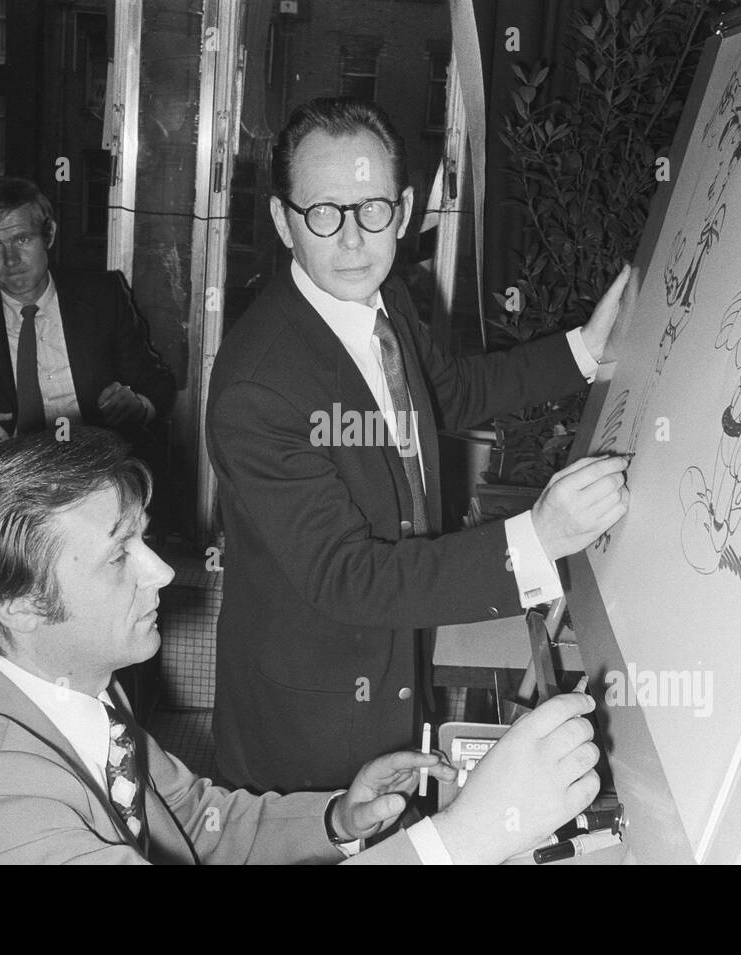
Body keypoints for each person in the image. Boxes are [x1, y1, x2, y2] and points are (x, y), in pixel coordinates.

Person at [0, 429, 603, 865]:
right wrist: (462, 837)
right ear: (19, 603)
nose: (159, 570)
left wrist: (339, 818)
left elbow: (196, 818)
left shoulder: (69, 687)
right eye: (121, 554)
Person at [206, 97, 632, 793]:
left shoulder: (386, 296)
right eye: (323, 213)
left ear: (403, 211)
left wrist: (584, 349)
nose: (351, 240)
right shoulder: (258, 387)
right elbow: (348, 576)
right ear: (284, 221)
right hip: (306, 734)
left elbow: (452, 392)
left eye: (372, 209)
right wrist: (536, 538)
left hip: (396, 674)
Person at [0, 177, 175, 469]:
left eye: (22, 239)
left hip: (96, 465)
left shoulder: (102, 295)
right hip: (3, 473)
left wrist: (139, 406)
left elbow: (155, 379)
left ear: (49, 235)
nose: (11, 259)